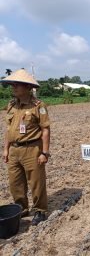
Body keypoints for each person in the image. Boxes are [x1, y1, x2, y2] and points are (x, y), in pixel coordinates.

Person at [1, 69, 51, 226]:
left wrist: (44, 152)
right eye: (12, 85)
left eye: (17, 85)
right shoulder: (11, 105)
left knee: (36, 182)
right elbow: (9, 130)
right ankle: (21, 208)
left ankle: (40, 211)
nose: (13, 88)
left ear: (28, 87)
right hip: (14, 150)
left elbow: (45, 129)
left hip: (32, 149)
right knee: (15, 182)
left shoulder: (38, 105)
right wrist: (6, 149)